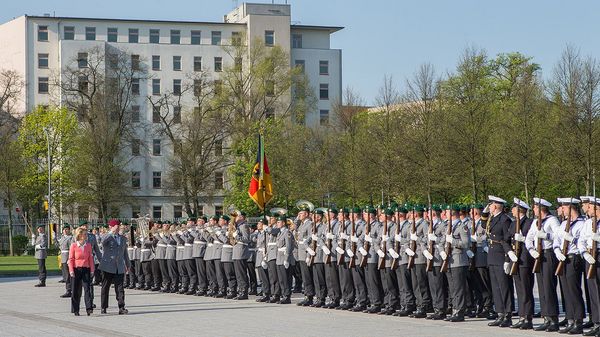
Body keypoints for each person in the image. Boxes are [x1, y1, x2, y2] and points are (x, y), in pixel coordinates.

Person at [485, 195, 513, 328]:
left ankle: (507, 315)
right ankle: (500, 313)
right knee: (496, 287)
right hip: (492, 255)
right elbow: (484, 226)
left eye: (490, 205)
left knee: (504, 287)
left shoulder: (505, 220)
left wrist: (508, 259)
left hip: (501, 255)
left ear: (495, 206)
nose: (489, 207)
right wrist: (485, 213)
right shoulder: (493, 218)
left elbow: (507, 240)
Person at [99, 219, 131, 315]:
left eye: (118, 226)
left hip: (119, 266)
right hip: (108, 265)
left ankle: (121, 307)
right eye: (116, 226)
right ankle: (103, 307)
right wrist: (111, 233)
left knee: (120, 288)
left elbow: (125, 253)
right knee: (105, 287)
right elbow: (103, 243)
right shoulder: (106, 236)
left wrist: (128, 264)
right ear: (111, 227)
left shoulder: (122, 238)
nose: (118, 228)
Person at [69, 227, 95, 316]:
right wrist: (71, 270)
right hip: (76, 269)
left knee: (87, 289)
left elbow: (91, 258)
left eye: (86, 234)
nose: (86, 236)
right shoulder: (74, 245)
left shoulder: (88, 245)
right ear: (79, 235)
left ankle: (89, 308)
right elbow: (71, 259)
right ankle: (76, 309)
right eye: (84, 234)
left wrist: (92, 270)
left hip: (86, 269)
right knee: (76, 290)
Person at [57, 224, 74, 298]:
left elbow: (71, 249)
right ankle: (69, 289)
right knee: (65, 274)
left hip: (67, 256)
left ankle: (69, 290)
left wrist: (70, 259)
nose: (65, 231)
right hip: (63, 257)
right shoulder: (62, 238)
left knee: (68, 275)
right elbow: (58, 246)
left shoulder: (70, 238)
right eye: (64, 229)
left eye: (67, 229)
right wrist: (54, 239)